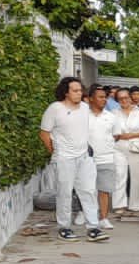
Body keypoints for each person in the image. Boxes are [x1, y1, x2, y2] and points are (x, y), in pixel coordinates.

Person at [39, 77, 107, 243]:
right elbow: (44, 133)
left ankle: (93, 228)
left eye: (80, 90)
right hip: (64, 158)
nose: (79, 93)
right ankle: (64, 227)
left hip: (84, 157)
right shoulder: (55, 109)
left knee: (89, 191)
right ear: (66, 92)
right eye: (75, 91)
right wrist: (55, 152)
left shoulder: (84, 108)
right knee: (65, 193)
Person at [114, 89, 139, 215]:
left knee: (138, 176)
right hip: (119, 146)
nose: (124, 100)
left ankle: (138, 204)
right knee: (119, 175)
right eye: (120, 98)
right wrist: (121, 137)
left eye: (126, 97)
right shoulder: (114, 113)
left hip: (136, 145)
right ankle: (119, 204)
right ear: (117, 100)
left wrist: (130, 135)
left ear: (130, 98)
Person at [86, 87, 120, 230]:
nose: (104, 100)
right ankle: (86, 215)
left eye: (105, 97)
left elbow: (116, 135)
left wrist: (105, 144)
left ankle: (104, 218)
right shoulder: (83, 116)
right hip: (86, 158)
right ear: (91, 99)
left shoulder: (111, 117)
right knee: (86, 189)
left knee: (104, 190)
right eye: (100, 97)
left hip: (106, 157)